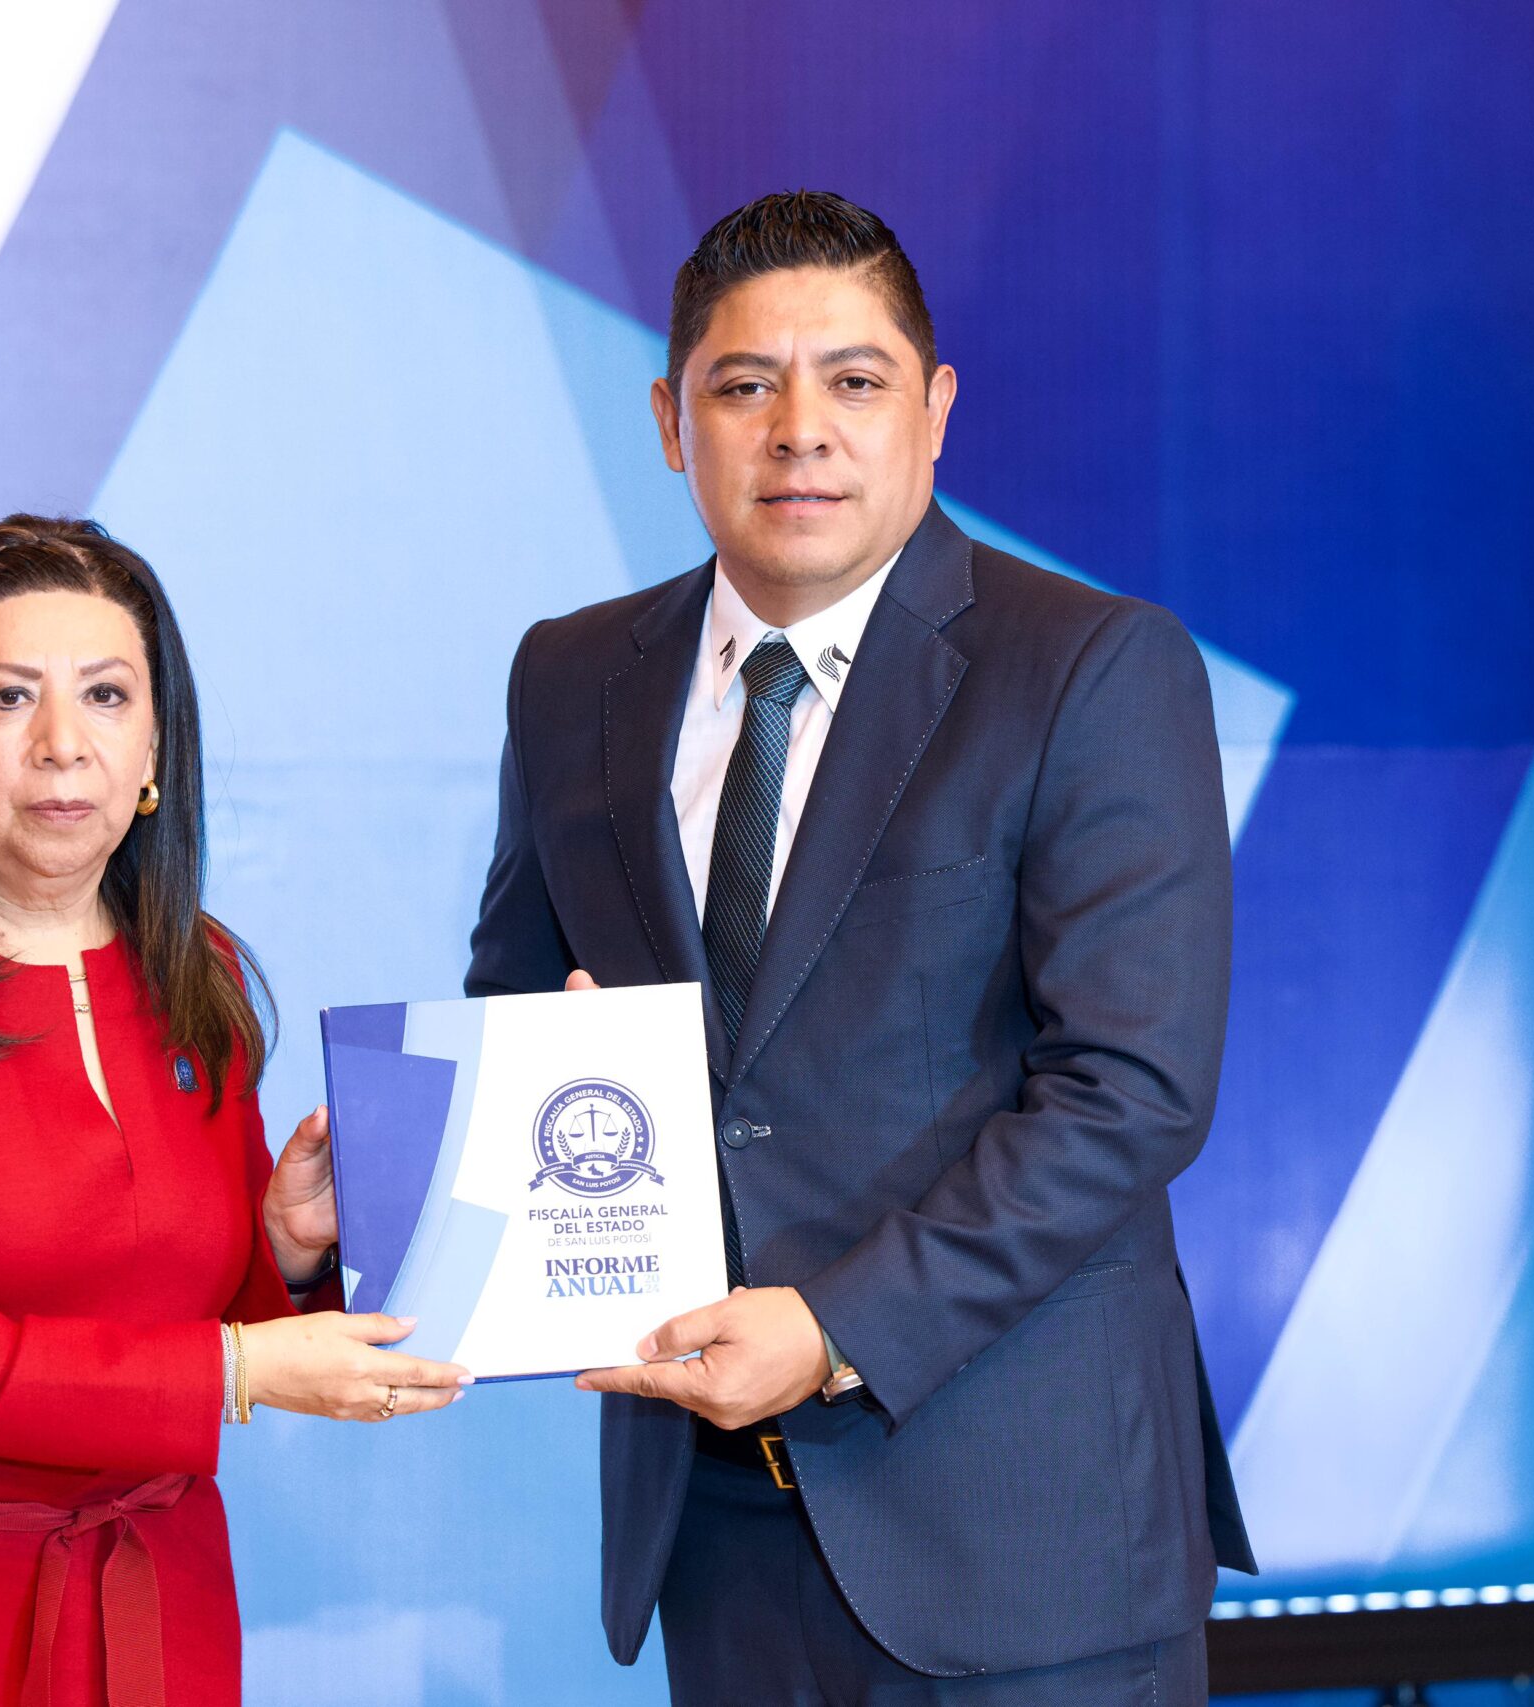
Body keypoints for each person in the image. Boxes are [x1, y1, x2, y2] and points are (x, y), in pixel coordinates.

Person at [466, 193, 1255, 1704]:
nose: (799, 432)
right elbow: (521, 1013)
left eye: (854, 380)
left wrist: (836, 1329)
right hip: (715, 1533)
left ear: (935, 409)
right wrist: (390, 1201)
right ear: (670, 420)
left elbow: (1131, 1091)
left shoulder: (1088, 666)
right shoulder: (570, 676)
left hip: (1025, 1536)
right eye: (743, 385)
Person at [0, 516, 470, 1707]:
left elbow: (192, 1303)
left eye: (107, 696)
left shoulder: (197, 969)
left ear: (155, 743)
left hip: (153, 1594)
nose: (64, 745)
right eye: (9, 699)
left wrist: (281, 1249)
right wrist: (235, 1370)